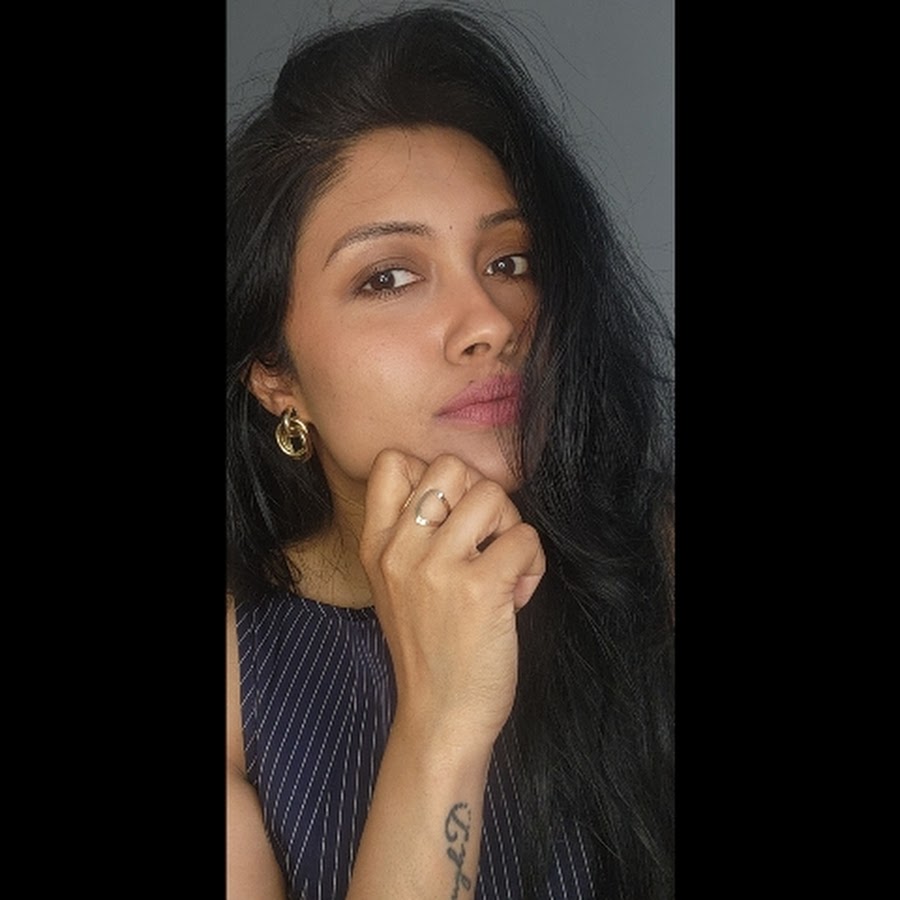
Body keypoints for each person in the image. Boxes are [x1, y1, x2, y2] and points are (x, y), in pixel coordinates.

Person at [226, 6, 674, 899]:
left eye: (509, 262)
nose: (491, 323)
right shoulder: (237, 695)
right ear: (275, 376)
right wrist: (442, 722)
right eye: (389, 276)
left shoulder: (656, 566)